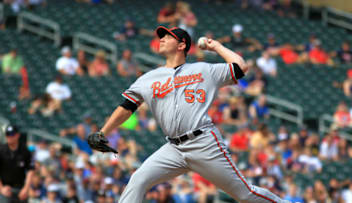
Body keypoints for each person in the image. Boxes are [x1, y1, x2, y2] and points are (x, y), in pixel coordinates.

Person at [89, 26, 287, 202]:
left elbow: (240, 67)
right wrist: (103, 132)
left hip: (203, 143)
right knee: (139, 179)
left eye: (168, 36)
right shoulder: (148, 78)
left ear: (182, 44)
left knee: (244, 194)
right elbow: (127, 106)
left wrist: (217, 47)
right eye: (161, 36)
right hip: (173, 147)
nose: (162, 39)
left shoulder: (203, 70)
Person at [0, 125, 34, 203]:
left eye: (11, 134)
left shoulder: (25, 151)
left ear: (18, 135)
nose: (9, 137)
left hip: (20, 189)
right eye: (7, 134)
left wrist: (26, 188)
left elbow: (30, 170)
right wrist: (1, 188)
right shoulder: (0, 151)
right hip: (5, 189)